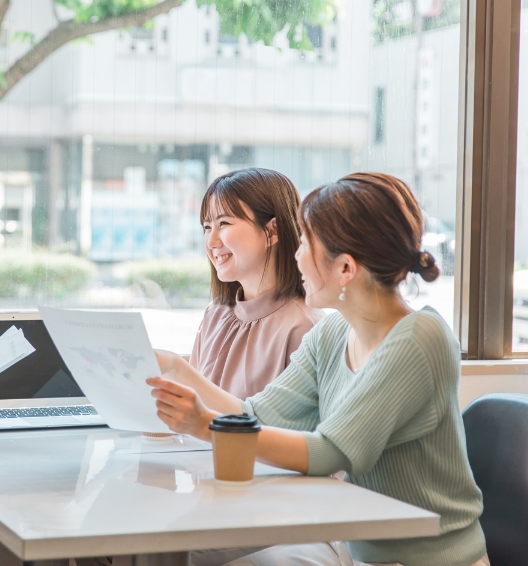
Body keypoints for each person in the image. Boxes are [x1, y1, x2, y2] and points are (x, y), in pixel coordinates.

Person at [148, 173, 488, 566]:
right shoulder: (332, 332)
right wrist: (175, 369)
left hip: (427, 558)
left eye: (306, 244)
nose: (295, 255)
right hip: (357, 547)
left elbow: (331, 451)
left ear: (345, 268)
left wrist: (206, 424)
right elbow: (256, 416)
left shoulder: (418, 338)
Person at [191, 168, 323, 399]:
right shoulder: (214, 314)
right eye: (207, 227)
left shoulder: (304, 327)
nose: (211, 241)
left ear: (272, 230)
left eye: (224, 223)